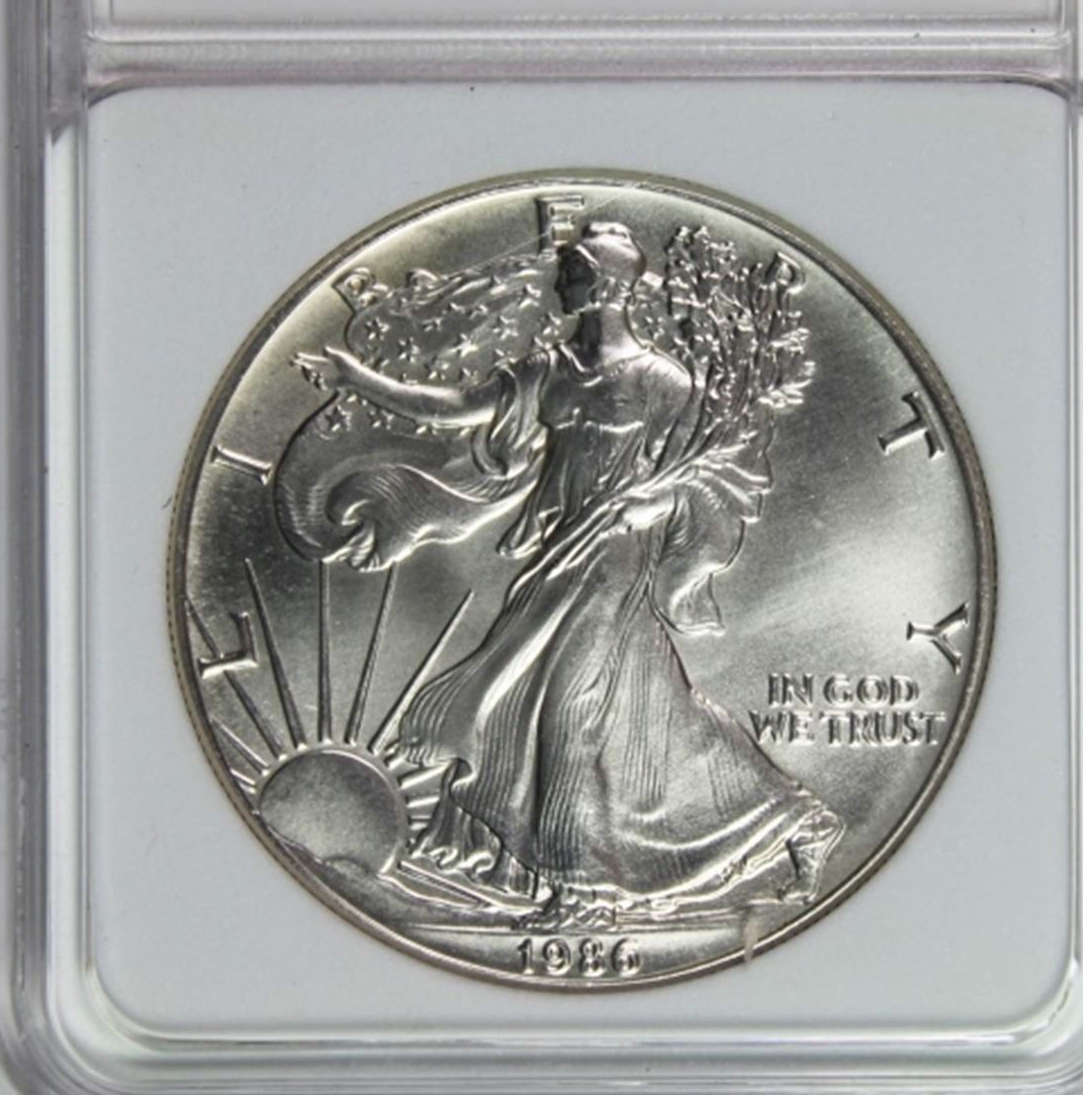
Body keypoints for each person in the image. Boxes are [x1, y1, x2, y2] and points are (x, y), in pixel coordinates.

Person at [323, 222, 842, 925]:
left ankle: (586, 890)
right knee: (642, 714)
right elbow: (456, 411)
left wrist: (660, 500)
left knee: (570, 715)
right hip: (561, 554)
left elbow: (726, 470)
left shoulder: (662, 381)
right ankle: (797, 818)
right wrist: (360, 381)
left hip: (616, 561)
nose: (559, 280)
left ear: (604, 284)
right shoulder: (551, 370)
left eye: (571, 270)